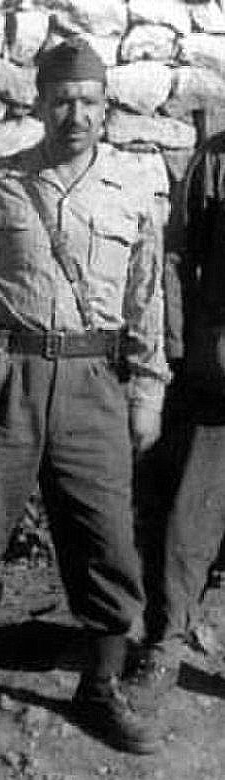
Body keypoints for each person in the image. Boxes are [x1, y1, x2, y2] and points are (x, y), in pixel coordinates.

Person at [0, 38, 169, 754]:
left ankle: (100, 687)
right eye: (62, 100)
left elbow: (147, 301)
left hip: (93, 382)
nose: (76, 114)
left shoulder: (133, 194)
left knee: (106, 536)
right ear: (39, 104)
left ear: (106, 109)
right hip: (8, 374)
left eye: (90, 102)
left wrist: (149, 391)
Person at [129, 128, 225, 697]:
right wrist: (181, 350)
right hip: (215, 380)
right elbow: (176, 257)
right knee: (189, 521)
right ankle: (166, 644)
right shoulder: (213, 160)